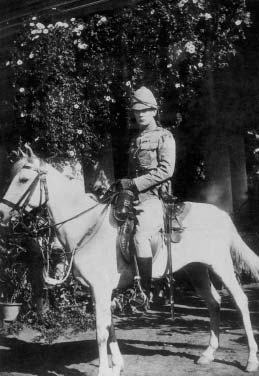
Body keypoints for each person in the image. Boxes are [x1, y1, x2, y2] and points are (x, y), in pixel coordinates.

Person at [117, 86, 176, 305]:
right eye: (136, 111)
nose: (140, 114)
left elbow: (166, 170)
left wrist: (134, 184)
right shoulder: (136, 140)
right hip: (134, 197)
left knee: (141, 237)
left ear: (154, 111)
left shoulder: (164, 136)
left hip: (153, 198)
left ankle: (148, 290)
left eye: (145, 110)